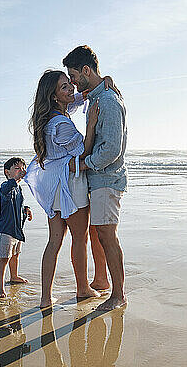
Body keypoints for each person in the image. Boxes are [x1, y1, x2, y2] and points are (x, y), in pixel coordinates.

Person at [24, 70, 118, 308]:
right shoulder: (62, 124)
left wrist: (102, 81)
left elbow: (79, 98)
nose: (71, 89)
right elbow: (83, 152)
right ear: (54, 96)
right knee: (79, 237)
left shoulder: (50, 117)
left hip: (53, 186)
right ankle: (83, 289)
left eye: (69, 84)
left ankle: (46, 298)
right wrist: (93, 124)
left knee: (54, 240)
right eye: (65, 87)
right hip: (70, 185)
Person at [64, 45, 128, 311]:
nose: (73, 82)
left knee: (107, 235)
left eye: (74, 76)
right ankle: (102, 282)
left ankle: (118, 295)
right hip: (98, 180)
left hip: (107, 179)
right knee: (98, 233)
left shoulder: (109, 102)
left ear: (86, 70)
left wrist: (83, 164)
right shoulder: (97, 96)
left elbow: (112, 149)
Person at [0, 157, 33, 298]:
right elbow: (7, 190)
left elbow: (19, 204)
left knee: (15, 255)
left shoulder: (19, 188)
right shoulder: (6, 186)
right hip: (5, 229)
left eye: (23, 168)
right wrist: (14, 180)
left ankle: (14, 276)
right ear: (7, 172)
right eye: (17, 168)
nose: (21, 171)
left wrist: (26, 209)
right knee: (4, 257)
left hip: (17, 229)